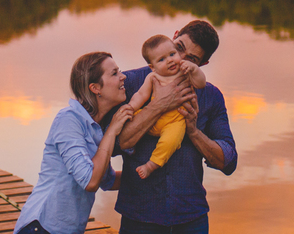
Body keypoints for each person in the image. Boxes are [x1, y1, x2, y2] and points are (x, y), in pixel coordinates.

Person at [113, 20, 237, 234]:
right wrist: (159, 106)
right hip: (139, 217)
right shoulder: (131, 82)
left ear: (203, 65)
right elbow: (114, 144)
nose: (179, 60)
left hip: (191, 219)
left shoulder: (210, 95)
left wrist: (193, 132)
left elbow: (228, 161)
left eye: (192, 59)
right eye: (179, 48)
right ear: (175, 35)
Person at [13, 52, 135, 234]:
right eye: (115, 73)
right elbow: (90, 181)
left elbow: (107, 181)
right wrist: (112, 131)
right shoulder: (69, 120)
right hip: (41, 227)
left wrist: (150, 173)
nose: (123, 76)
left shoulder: (95, 128)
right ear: (95, 88)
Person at [126, 34, 207, 179]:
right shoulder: (153, 77)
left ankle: (151, 164)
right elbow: (141, 95)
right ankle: (131, 144)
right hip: (152, 118)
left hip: (175, 121)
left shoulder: (185, 73)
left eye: (172, 54)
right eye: (162, 59)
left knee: (171, 141)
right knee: (134, 118)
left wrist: (194, 69)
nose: (170, 60)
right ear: (152, 67)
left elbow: (201, 84)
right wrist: (131, 108)